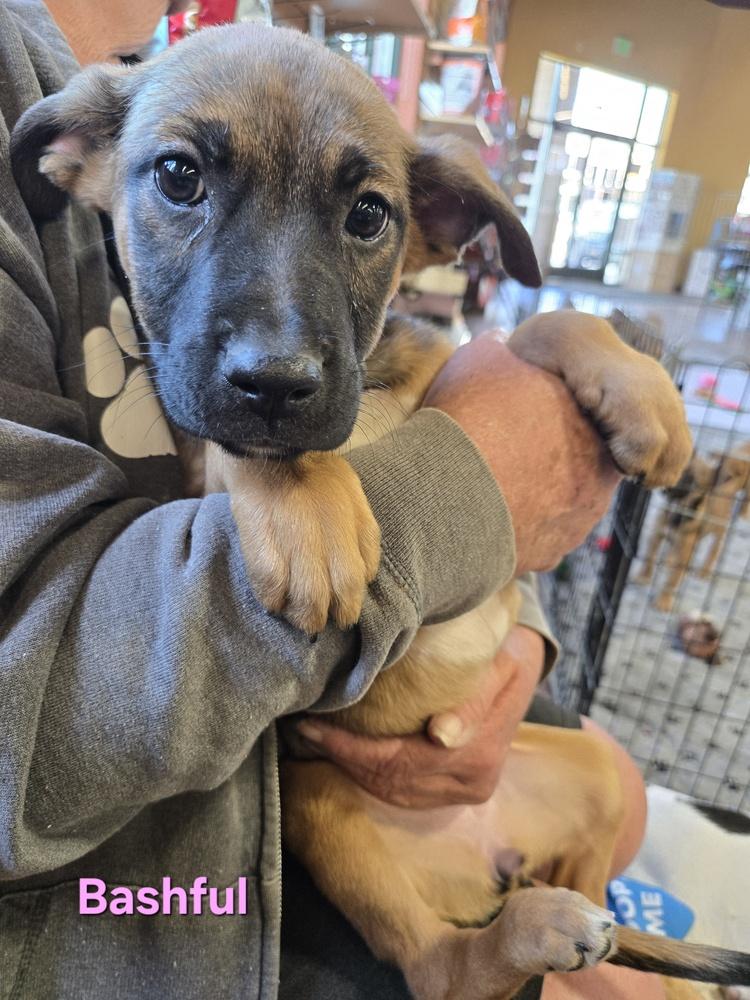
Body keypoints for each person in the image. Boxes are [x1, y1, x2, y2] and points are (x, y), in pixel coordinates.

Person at [0, 2, 663, 998]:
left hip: (413, 735)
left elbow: (474, 423)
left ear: (437, 227)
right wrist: (457, 491)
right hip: (186, 892)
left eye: (364, 214)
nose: (279, 348)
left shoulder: (206, 63)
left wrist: (517, 633)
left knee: (622, 795)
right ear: (72, 159)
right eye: (184, 177)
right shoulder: (78, 101)